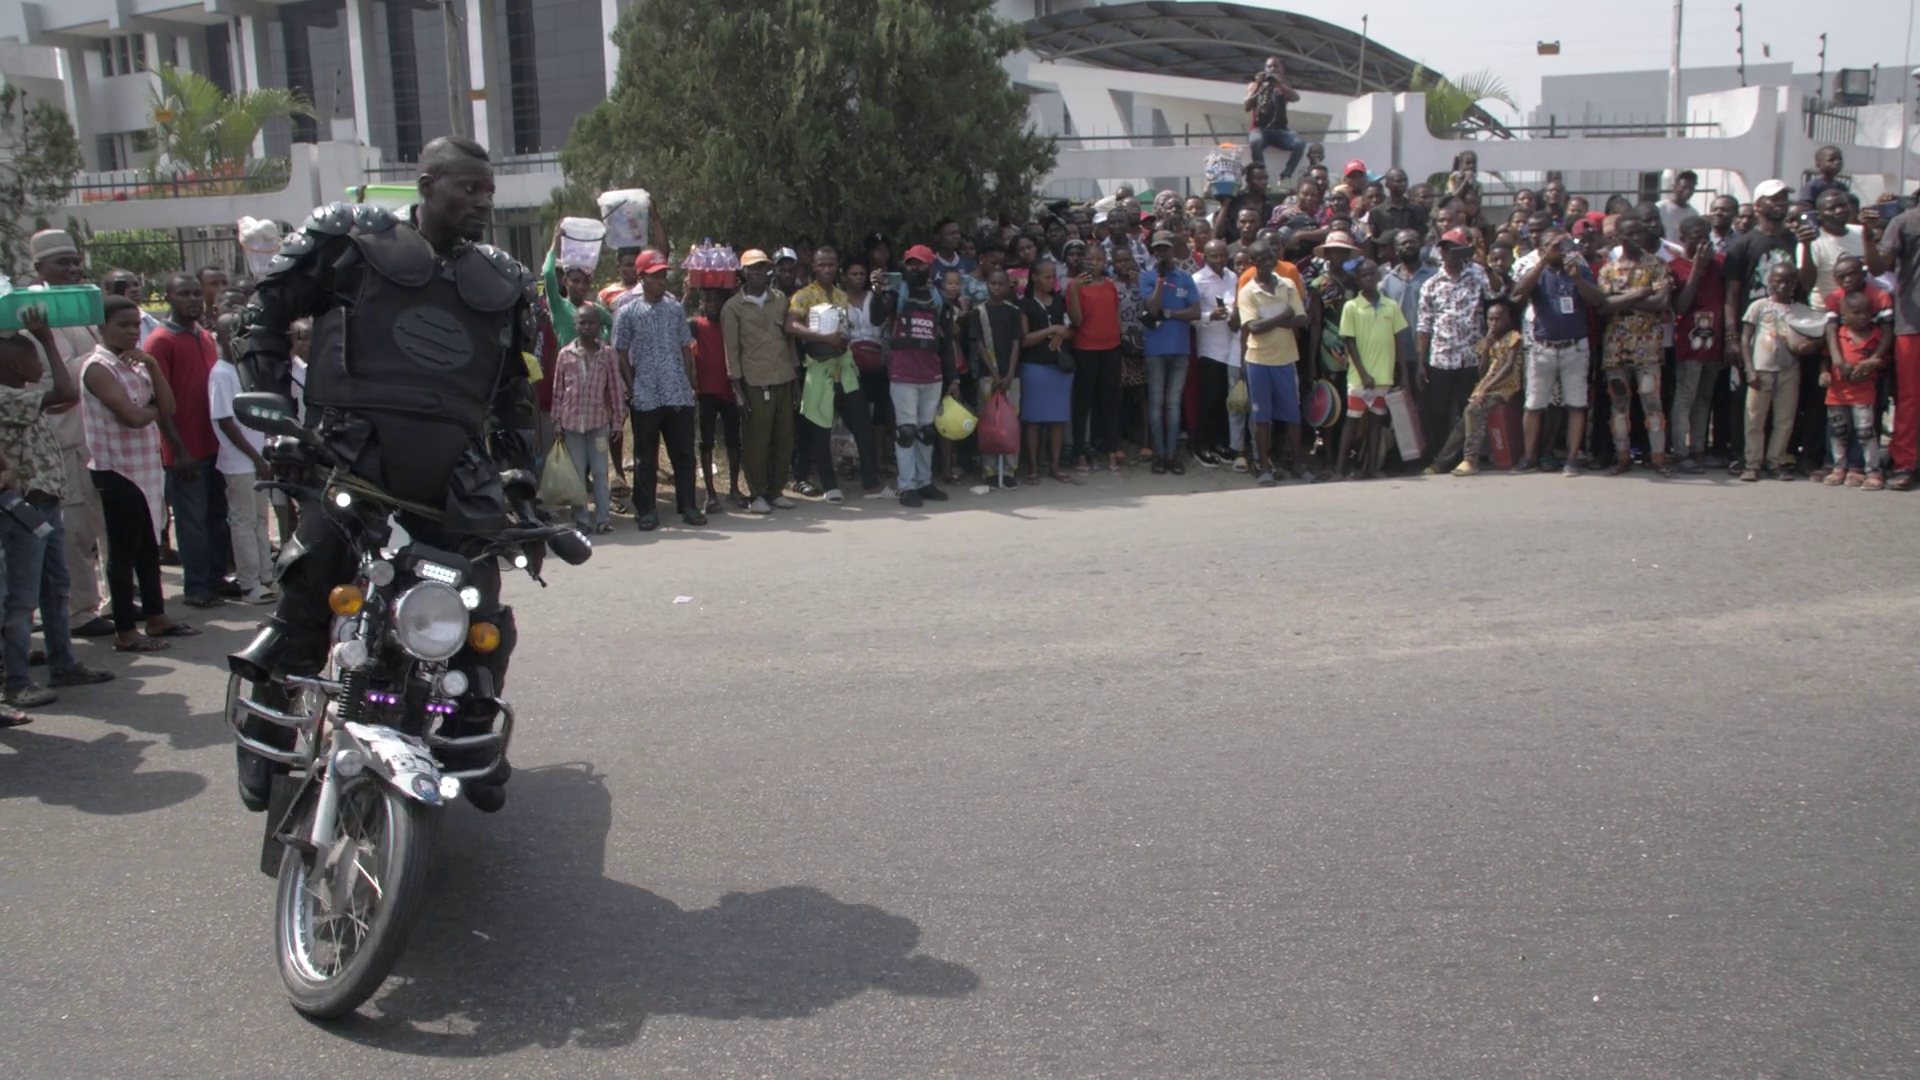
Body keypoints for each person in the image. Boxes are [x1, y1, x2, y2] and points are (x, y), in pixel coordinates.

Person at [232, 135, 540, 813]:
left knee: (481, 608)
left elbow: (516, 393)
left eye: (488, 191)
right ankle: (268, 730)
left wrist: (521, 476)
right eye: (468, 188)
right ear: (426, 185)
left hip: (453, 474)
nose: (482, 202)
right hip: (350, 456)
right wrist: (276, 413)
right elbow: (264, 314)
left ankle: (470, 730)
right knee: (309, 583)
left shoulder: (504, 280)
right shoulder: (352, 242)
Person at [0, 312, 115, 709]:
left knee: (55, 586)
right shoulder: (8, 398)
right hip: (22, 508)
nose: (41, 366)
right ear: (14, 365)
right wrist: (47, 339)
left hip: (43, 503)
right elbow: (66, 390)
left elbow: (63, 396)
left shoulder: (21, 396)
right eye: (33, 358)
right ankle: (16, 681)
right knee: (21, 598)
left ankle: (63, 662)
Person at [82, 297, 196, 655]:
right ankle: (125, 630)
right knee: (123, 552)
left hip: (145, 467)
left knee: (148, 547)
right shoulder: (98, 367)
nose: (132, 331)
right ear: (102, 328)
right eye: (123, 325)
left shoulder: (136, 363)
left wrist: (153, 367)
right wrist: (152, 408)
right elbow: (131, 417)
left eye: (135, 325)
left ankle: (156, 615)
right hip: (116, 469)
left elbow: (169, 406)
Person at [20, 231, 113, 639]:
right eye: (62, 263)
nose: (73, 269)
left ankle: (112, 599)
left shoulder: (81, 306)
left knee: (101, 523)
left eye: (76, 261)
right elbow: (59, 381)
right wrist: (104, 359)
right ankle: (80, 611)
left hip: (96, 437)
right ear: (40, 268)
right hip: (62, 440)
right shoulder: (34, 312)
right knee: (74, 528)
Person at [145, 270, 233, 608]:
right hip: (185, 450)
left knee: (216, 518)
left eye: (196, 293)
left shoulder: (205, 336)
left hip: (214, 446)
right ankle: (196, 587)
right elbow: (158, 401)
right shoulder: (160, 341)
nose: (193, 299)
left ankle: (215, 578)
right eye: (184, 294)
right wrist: (177, 450)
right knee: (191, 522)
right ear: (168, 297)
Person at [1722, 179, 1819, 473]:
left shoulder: (1795, 241)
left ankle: (1780, 456)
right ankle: (1744, 456)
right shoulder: (1743, 244)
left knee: (1787, 402)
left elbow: (1808, 283)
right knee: (1748, 398)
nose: (1780, 204)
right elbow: (1731, 295)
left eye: (1783, 198)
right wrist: (1732, 337)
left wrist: (1806, 246)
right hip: (1755, 327)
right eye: (1773, 199)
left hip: (1790, 327)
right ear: (1758, 205)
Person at [612, 249, 701, 530]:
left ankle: (688, 505)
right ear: (642, 278)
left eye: (664, 275)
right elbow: (620, 352)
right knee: (645, 457)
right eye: (655, 276)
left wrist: (689, 383)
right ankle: (646, 509)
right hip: (646, 394)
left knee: (684, 454)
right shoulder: (627, 311)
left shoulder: (675, 309)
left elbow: (685, 347)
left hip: (677, 392)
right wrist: (631, 388)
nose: (662, 281)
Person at [787, 246, 878, 503]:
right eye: (822, 265)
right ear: (814, 267)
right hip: (818, 368)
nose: (827, 269)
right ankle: (830, 486)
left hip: (844, 367)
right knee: (821, 428)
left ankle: (871, 483)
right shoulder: (803, 295)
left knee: (862, 423)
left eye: (831, 264)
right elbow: (790, 325)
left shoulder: (840, 295)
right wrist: (822, 337)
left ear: (837, 267)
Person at [1595, 217, 1674, 474]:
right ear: (1619, 237)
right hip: (1615, 349)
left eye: (1640, 233)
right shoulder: (1608, 270)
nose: (1637, 238)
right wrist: (1639, 293)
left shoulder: (1657, 265)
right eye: (1630, 234)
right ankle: (1622, 457)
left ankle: (1658, 458)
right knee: (1619, 406)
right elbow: (1603, 306)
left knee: (1652, 403)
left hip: (1648, 348)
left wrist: (1621, 299)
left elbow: (1661, 302)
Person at [723, 249, 798, 514]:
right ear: (743, 271)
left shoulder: (780, 300)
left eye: (761, 268)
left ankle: (776, 491)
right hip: (755, 382)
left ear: (768, 270)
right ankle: (757, 494)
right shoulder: (733, 308)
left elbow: (789, 341)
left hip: (783, 378)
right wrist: (737, 392)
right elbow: (731, 353)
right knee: (757, 442)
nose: (756, 273)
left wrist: (795, 380)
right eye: (751, 268)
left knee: (784, 438)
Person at [205, 335, 276, 605]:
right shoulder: (221, 374)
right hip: (239, 462)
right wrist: (255, 458)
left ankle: (266, 576)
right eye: (232, 335)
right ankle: (249, 583)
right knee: (244, 522)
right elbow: (225, 421)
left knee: (260, 520)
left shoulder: (244, 370)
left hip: (258, 459)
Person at [1416, 229, 1495, 468]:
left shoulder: (1477, 274)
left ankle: (1466, 457)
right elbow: (1424, 325)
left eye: (1454, 248)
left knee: (1468, 409)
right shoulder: (1431, 284)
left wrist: (1486, 265)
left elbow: (1497, 292)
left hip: (1471, 356)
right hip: (1442, 357)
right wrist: (1420, 362)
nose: (1448, 253)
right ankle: (1441, 458)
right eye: (1445, 248)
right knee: (1439, 411)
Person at [885, 245, 956, 508]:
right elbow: (876, 316)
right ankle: (907, 486)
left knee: (926, 430)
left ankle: (924, 482)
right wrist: (879, 291)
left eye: (920, 264)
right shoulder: (896, 294)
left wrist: (953, 378)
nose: (915, 268)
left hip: (931, 373)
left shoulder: (938, 299)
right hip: (903, 371)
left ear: (930, 267)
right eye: (910, 263)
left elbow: (946, 342)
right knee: (906, 430)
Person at [1237, 241, 1312, 486]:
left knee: (1292, 416)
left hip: (1286, 359)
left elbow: (1302, 319)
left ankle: (1298, 464)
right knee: (1261, 418)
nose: (1268, 263)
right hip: (1258, 361)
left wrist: (1269, 321)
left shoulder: (1287, 285)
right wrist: (1283, 315)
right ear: (1253, 262)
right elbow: (1252, 327)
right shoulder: (1247, 291)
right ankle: (1264, 467)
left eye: (1271, 257)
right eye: (1262, 259)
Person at [551, 305, 627, 533]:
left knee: (600, 471)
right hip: (571, 424)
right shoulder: (566, 354)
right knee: (577, 473)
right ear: (575, 325)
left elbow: (615, 389)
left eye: (591, 322)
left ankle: (603, 519)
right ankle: (582, 520)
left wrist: (617, 421)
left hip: (598, 424)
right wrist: (557, 421)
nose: (586, 327)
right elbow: (558, 390)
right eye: (582, 323)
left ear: (599, 326)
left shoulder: (607, 354)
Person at [1432, 297, 1524, 477]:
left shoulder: (1514, 337)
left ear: (1508, 320)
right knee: (1463, 423)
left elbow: (1508, 367)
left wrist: (1485, 388)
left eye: (1498, 319)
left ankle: (1470, 460)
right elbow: (1481, 371)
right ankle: (1441, 462)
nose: (1494, 323)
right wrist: (1486, 349)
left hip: (1505, 387)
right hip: (1486, 387)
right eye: (1491, 319)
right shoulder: (1487, 340)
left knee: (1473, 410)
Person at [1335, 259, 1408, 479]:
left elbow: (1398, 341)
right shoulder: (1351, 307)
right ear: (1357, 280)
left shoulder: (1391, 306)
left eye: (1372, 274)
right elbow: (1350, 343)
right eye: (1363, 275)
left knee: (1377, 422)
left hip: (1383, 376)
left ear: (1378, 276)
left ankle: (1372, 468)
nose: (1368, 278)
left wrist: (1403, 374)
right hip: (1359, 378)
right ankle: (1339, 469)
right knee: (1352, 421)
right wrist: (1363, 373)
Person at [1668, 215, 1728, 473]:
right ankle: (1680, 451)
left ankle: (1699, 448)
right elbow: (1680, 306)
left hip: (1714, 341)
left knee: (1705, 397)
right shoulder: (1675, 267)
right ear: (1683, 240)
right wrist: (1696, 268)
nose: (1703, 243)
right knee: (1686, 396)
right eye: (1696, 239)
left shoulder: (1721, 263)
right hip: (1689, 342)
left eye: (1706, 237)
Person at [1739, 262, 1808, 481]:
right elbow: (1745, 338)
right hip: (1761, 370)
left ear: (1795, 283)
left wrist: (1806, 346)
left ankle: (1776, 462)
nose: (1783, 285)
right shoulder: (1759, 306)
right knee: (1754, 419)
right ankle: (1752, 464)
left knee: (1784, 419)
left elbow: (1812, 338)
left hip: (1789, 371)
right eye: (1778, 281)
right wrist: (1749, 369)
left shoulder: (1800, 310)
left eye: (1788, 281)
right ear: (1769, 281)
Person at [1821, 282, 1891, 489]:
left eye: (1867, 312)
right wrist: (1824, 373)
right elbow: (1826, 358)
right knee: (1838, 432)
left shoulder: (1876, 335)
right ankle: (1839, 467)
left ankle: (1873, 471)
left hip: (1863, 394)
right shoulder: (1837, 335)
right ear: (1844, 314)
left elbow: (1885, 361)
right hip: (1837, 393)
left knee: (1866, 433)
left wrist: (1873, 363)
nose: (1863, 317)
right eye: (1856, 312)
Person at [1871, 196, 1920, 489]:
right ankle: (1903, 462)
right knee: (1910, 397)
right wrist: (1868, 238)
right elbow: (1879, 267)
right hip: (1912, 321)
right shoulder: (1904, 221)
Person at [1140, 230, 1198, 474]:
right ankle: (1159, 454)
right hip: (1155, 349)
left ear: (1173, 249)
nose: (1162, 252)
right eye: (1158, 249)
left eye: (1166, 248)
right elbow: (1152, 309)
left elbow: (1195, 311)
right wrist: (1161, 280)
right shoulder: (1147, 277)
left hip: (1180, 349)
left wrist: (1170, 313)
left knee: (1173, 403)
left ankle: (1172, 454)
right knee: (1156, 402)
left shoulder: (1186, 278)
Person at [1065, 242, 1124, 474]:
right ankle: (1080, 452)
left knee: (1110, 401)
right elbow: (1077, 321)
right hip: (1086, 349)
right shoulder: (1075, 285)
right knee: (1083, 402)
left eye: (1099, 259)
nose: (1095, 264)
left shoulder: (1110, 285)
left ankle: (1112, 450)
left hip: (1112, 348)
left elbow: (1116, 315)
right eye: (1091, 259)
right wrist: (1074, 291)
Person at [689, 287, 745, 511]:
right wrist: (686, 294)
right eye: (708, 301)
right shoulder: (696, 325)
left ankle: (734, 488)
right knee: (706, 443)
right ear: (702, 303)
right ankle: (711, 494)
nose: (712, 305)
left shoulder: (730, 324)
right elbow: (677, 323)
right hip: (705, 393)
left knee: (734, 442)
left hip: (729, 391)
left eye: (717, 301)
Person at [1019, 260, 1074, 484]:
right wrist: (1051, 329)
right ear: (1034, 277)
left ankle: (1055, 465)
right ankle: (1033, 466)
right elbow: (1024, 339)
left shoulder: (1060, 301)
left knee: (1058, 419)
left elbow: (1073, 330)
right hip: (1035, 366)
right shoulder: (1025, 304)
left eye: (1053, 277)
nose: (1051, 281)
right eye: (1046, 277)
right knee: (1033, 419)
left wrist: (1063, 334)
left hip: (1059, 367)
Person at [1191, 238, 1243, 468]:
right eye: (1214, 256)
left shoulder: (1233, 277)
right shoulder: (1197, 280)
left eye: (1223, 255)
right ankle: (1200, 445)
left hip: (1232, 347)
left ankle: (1220, 443)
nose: (1219, 260)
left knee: (1225, 401)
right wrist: (1209, 317)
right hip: (1210, 348)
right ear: (1204, 257)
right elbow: (1191, 316)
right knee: (1208, 400)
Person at [971, 268, 1024, 488]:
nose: (996, 287)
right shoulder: (979, 312)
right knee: (989, 423)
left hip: (1011, 377)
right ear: (987, 284)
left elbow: (1016, 343)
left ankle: (1009, 470)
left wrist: (1009, 374)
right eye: (993, 283)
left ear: (1007, 286)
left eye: (1001, 284)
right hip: (988, 376)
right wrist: (994, 374)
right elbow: (980, 345)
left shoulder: (1013, 311)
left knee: (1010, 422)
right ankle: (990, 469)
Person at [1807, 189, 1865, 300]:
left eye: (1843, 205)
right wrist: (1806, 246)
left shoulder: (1861, 232)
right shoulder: (1813, 241)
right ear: (1819, 215)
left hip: (1860, 306)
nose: (1839, 211)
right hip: (1824, 307)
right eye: (1832, 208)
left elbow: (1876, 271)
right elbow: (1807, 284)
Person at [1367, 169, 1428, 257]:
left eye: (1405, 180)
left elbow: (1422, 235)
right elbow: (1374, 241)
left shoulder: (1416, 209)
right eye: (1398, 181)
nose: (1403, 184)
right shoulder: (1377, 212)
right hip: (1387, 258)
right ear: (1387, 185)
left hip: (1412, 257)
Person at [1659, 170, 1700, 241]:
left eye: (1691, 188)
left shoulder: (1693, 214)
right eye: (1684, 187)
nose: (1687, 191)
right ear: (1674, 187)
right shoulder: (1660, 208)